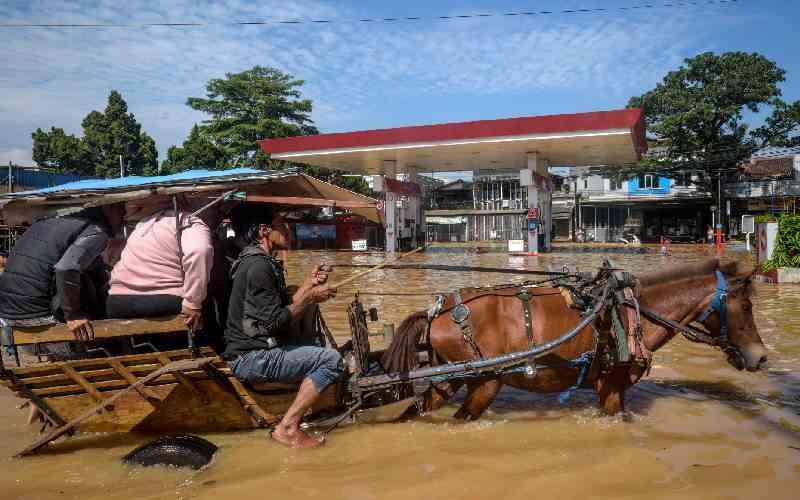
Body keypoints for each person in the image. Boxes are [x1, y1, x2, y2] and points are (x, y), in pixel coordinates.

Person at [223, 205, 341, 449]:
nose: (287, 228)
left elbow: (279, 310)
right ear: (264, 231)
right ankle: (288, 426)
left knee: (315, 345)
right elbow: (274, 322)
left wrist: (308, 284)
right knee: (331, 360)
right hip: (253, 357)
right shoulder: (258, 267)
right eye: (280, 224)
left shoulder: (258, 262)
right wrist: (310, 298)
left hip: (255, 350)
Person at [0, 204, 125, 342]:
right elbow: (66, 268)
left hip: (8, 313)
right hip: (37, 314)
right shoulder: (96, 230)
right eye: (122, 210)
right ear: (109, 208)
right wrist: (73, 314)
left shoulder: (49, 221)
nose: (124, 217)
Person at [106, 199, 219, 331]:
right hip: (164, 299)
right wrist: (193, 304)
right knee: (207, 308)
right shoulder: (189, 220)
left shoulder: (142, 224)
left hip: (118, 301)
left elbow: (112, 258)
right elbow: (199, 251)